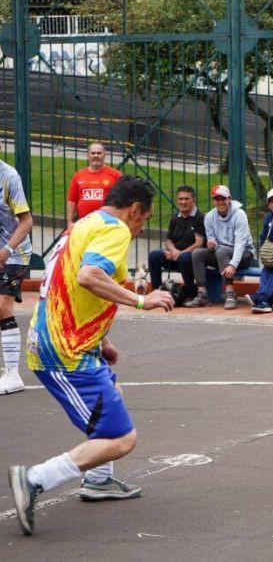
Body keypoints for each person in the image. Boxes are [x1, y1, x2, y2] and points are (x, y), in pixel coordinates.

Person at [9, 176, 175, 536]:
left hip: (64, 340)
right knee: (121, 439)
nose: (140, 226)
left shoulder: (84, 224)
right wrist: (143, 300)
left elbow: (67, 283)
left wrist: (102, 340)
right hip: (65, 350)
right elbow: (88, 276)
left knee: (111, 395)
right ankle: (34, 478)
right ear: (134, 210)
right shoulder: (115, 230)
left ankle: (98, 480)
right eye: (143, 219)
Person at [185, 185, 255, 310]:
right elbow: (212, 240)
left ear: (229, 199)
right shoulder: (209, 217)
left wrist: (233, 264)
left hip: (244, 254)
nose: (220, 202)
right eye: (217, 199)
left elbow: (240, 243)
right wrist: (211, 245)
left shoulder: (239, 214)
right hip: (221, 254)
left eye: (223, 199)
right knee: (197, 253)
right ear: (213, 201)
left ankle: (230, 293)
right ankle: (202, 295)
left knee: (221, 251)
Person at [0, 160, 34, 396]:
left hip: (15, 253)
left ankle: (13, 374)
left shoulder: (9, 176)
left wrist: (7, 249)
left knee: (2, 308)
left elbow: (27, 221)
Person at [148, 185, 205, 301]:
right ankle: (157, 291)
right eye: (180, 199)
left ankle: (191, 293)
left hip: (192, 260)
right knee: (154, 255)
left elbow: (199, 243)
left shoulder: (200, 217)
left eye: (186, 199)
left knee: (184, 257)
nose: (183, 202)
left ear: (193, 200)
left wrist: (179, 254)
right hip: (175, 256)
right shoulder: (175, 218)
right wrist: (174, 252)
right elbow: (169, 240)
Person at [66, 142, 121, 232]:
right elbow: (72, 201)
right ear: (88, 155)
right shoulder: (78, 176)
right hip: (84, 224)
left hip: (107, 225)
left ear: (104, 155)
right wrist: (70, 222)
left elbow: (123, 199)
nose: (96, 155)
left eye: (99, 153)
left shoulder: (115, 175)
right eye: (93, 153)